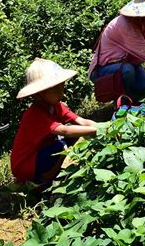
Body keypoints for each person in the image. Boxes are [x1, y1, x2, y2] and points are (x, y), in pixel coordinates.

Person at [11, 58, 97, 187]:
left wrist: (103, 126)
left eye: (62, 88)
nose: (61, 93)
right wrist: (97, 130)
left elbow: (81, 121)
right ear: (40, 94)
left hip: (42, 152)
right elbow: (64, 131)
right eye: (56, 90)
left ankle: (49, 173)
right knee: (61, 145)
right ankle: (45, 178)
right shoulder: (34, 114)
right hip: (26, 163)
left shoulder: (57, 106)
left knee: (74, 134)